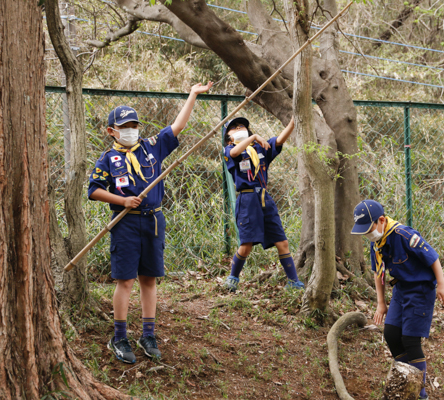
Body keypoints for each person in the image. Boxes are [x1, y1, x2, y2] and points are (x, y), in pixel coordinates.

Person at [88, 82, 213, 364]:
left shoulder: (151, 148)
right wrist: (122, 201)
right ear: (112, 131)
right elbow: (93, 189)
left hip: (153, 222)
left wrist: (192, 94)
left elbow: (177, 127)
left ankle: (148, 333)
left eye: (134, 124)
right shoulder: (108, 158)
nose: (131, 129)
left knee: (149, 278)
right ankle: (119, 336)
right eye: (124, 125)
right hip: (125, 223)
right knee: (125, 280)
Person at [351, 199, 444, 400]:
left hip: (420, 290)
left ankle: (420, 395)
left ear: (380, 220)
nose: (368, 234)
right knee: (392, 333)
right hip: (400, 291)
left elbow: (433, 257)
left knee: (411, 340)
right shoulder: (377, 243)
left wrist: (442, 284)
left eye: (369, 229)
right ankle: (406, 381)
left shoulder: (404, 235)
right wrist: (381, 303)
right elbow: (379, 274)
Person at [222, 116, 304, 292]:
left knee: (282, 242)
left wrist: (292, 123)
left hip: (265, 198)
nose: (239, 128)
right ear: (228, 137)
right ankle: (233, 278)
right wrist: (253, 137)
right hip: (247, 200)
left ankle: (294, 282)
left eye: (242, 126)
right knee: (246, 245)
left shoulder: (260, 147)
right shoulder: (229, 150)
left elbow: (278, 141)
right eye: (234, 127)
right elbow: (235, 153)